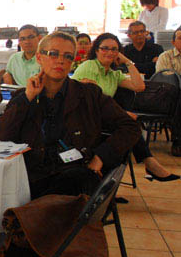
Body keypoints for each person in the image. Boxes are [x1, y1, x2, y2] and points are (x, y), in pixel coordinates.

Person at [0, 31, 141, 257]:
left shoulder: (87, 95)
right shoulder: (26, 94)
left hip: (74, 176)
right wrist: (28, 98)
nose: (60, 61)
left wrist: (102, 156)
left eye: (67, 56)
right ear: (41, 57)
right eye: (53, 54)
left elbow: (130, 126)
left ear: (74, 61)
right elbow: (2, 136)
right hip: (34, 180)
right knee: (70, 213)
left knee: (75, 193)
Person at [73, 33, 178, 181]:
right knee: (130, 125)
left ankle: (105, 174)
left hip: (102, 118)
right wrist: (121, 113)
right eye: (105, 48)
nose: (110, 52)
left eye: (114, 49)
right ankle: (147, 162)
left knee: (129, 127)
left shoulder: (113, 74)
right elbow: (90, 101)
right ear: (96, 50)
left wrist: (128, 62)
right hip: (84, 117)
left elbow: (139, 86)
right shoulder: (90, 66)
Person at [155, 27, 181, 157]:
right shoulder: (166, 56)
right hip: (167, 95)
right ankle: (177, 140)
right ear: (173, 42)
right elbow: (165, 80)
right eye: (180, 38)